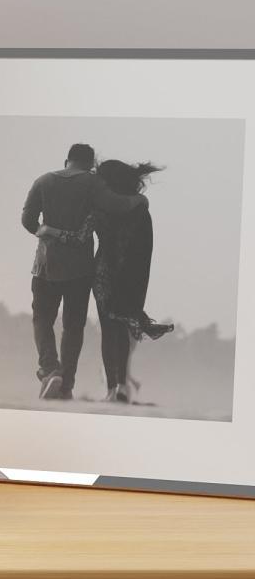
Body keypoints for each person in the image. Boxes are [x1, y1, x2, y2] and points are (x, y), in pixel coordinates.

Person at [21, 144, 148, 402]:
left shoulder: (42, 181)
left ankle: (50, 369)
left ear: (66, 160)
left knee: (42, 319)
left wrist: (45, 231)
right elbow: (117, 205)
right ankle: (66, 386)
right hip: (80, 270)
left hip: (46, 265)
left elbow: (27, 221)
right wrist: (139, 199)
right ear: (90, 164)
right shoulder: (92, 184)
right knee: (73, 327)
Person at [91, 159, 174, 403]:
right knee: (121, 329)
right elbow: (145, 249)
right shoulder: (139, 209)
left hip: (104, 273)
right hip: (129, 276)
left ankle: (110, 389)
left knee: (108, 330)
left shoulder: (102, 207)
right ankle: (121, 386)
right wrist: (138, 286)